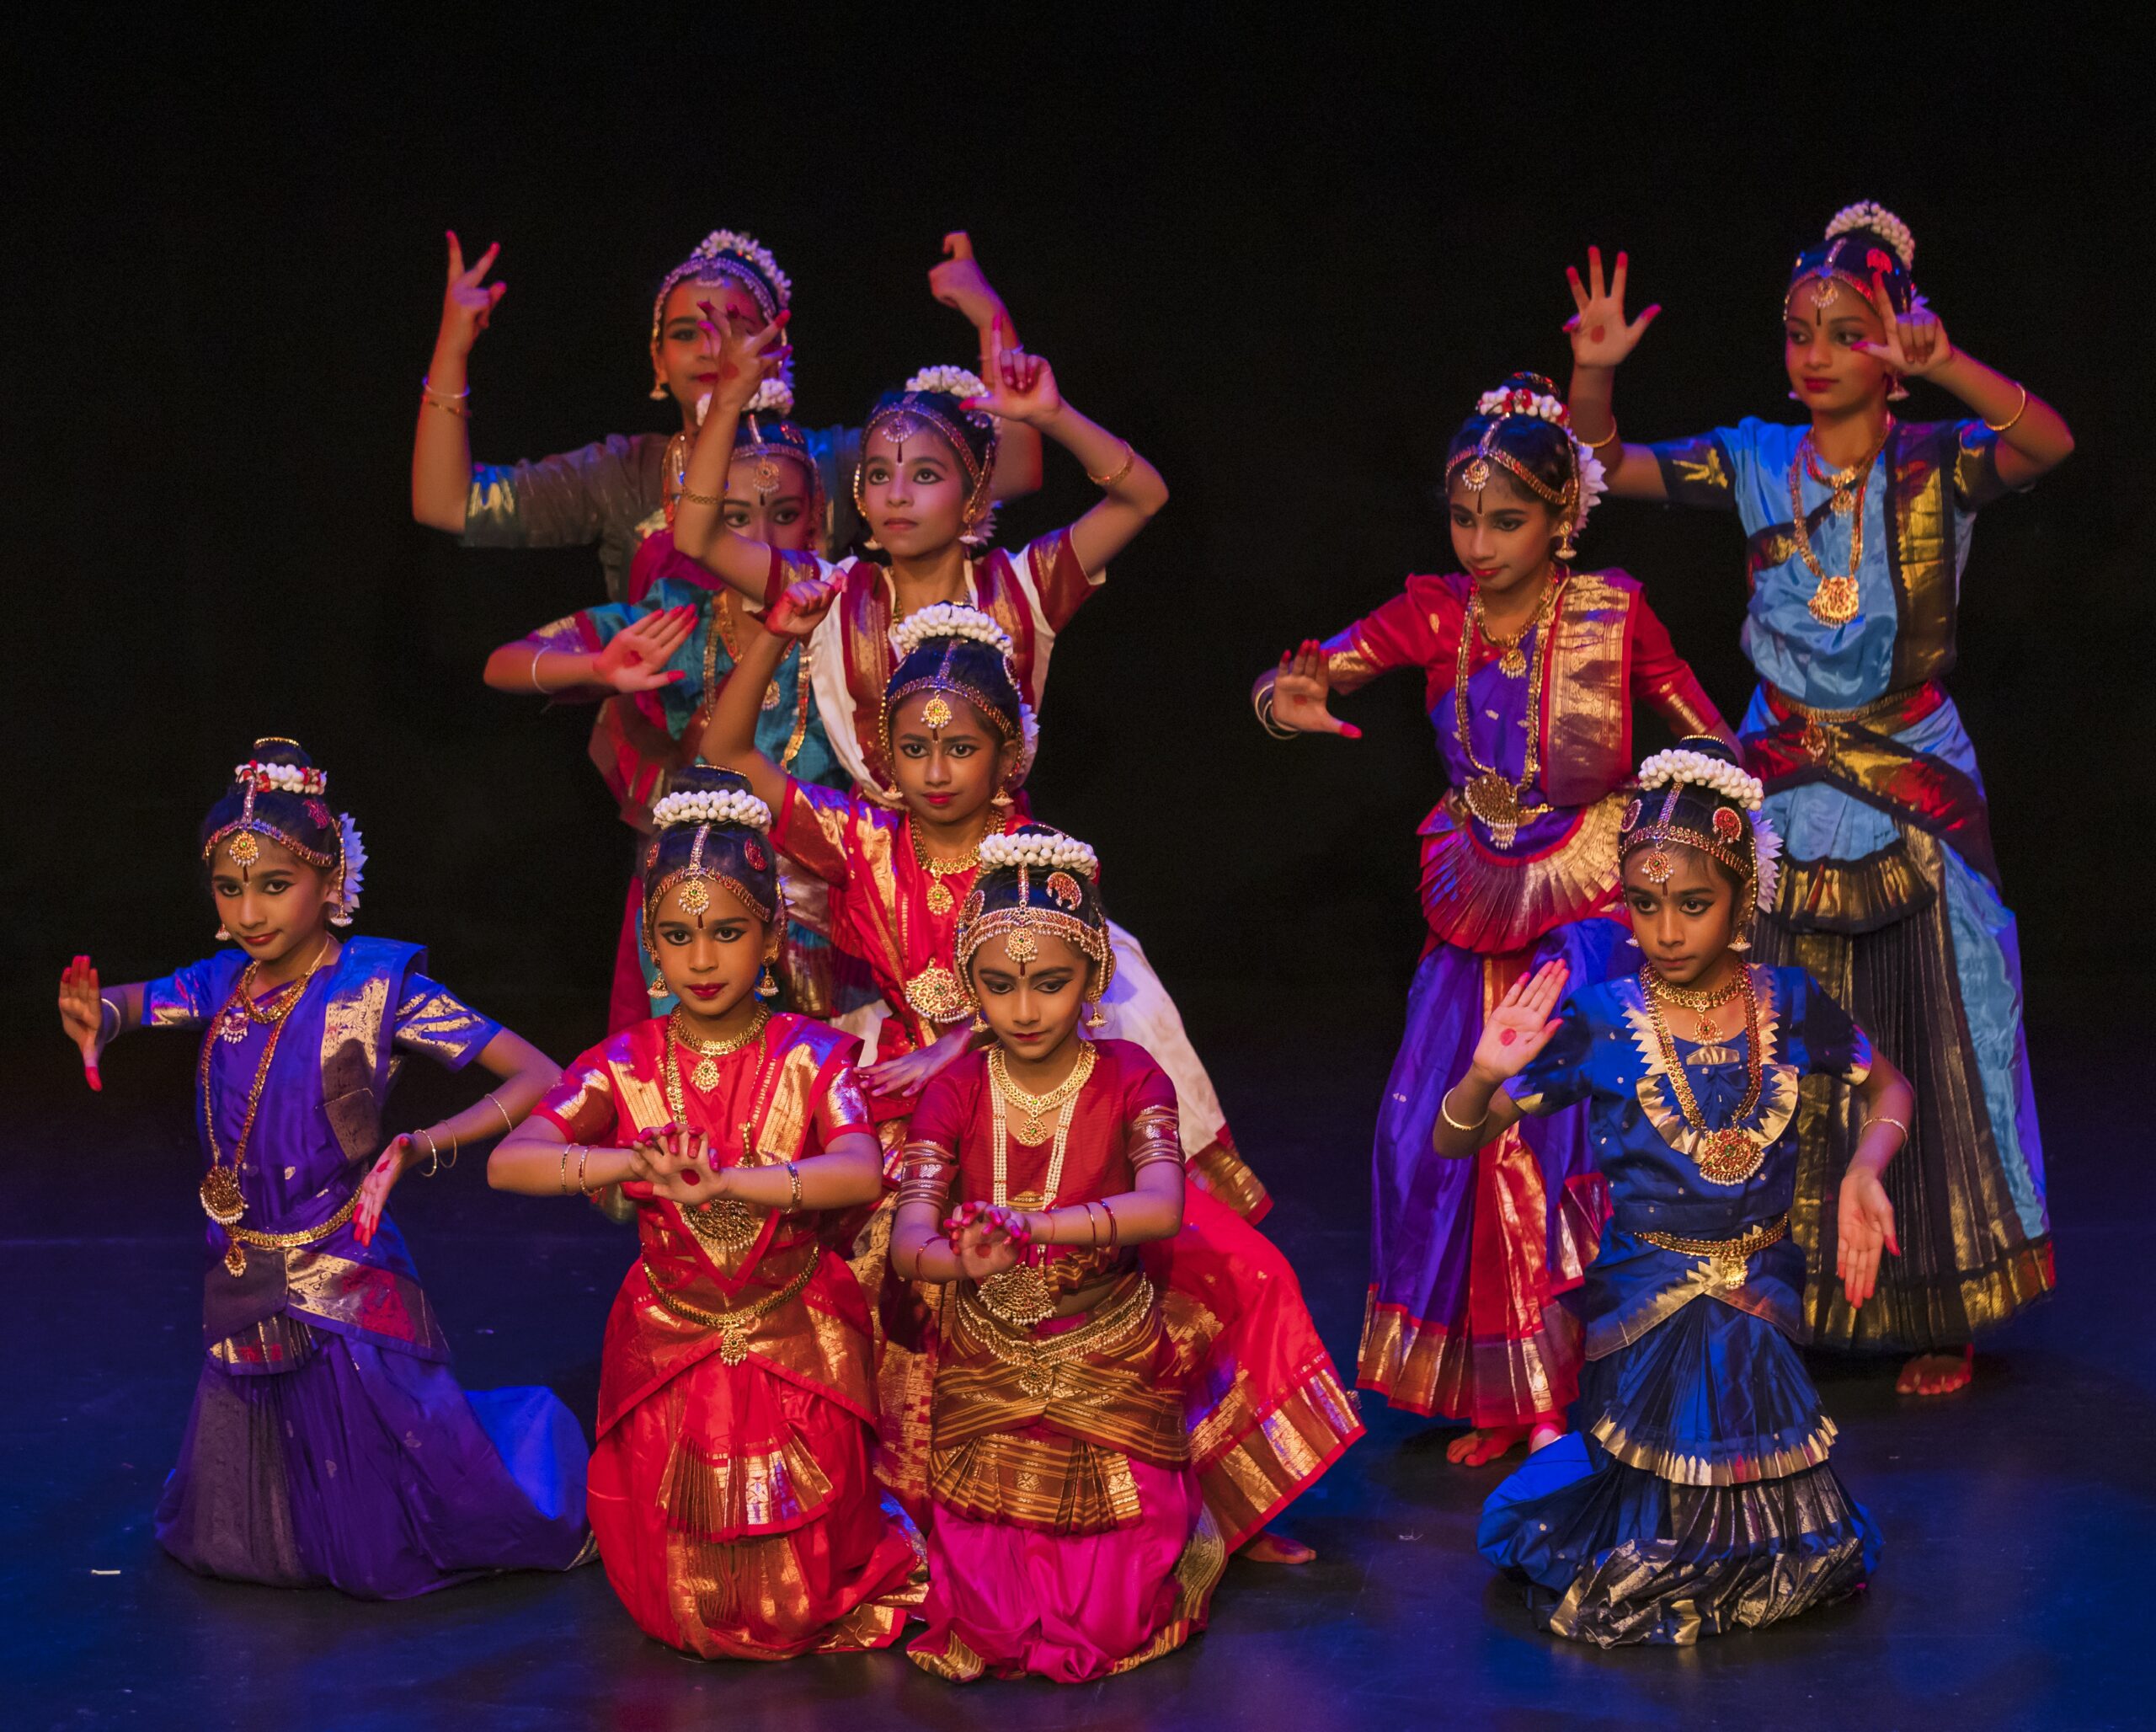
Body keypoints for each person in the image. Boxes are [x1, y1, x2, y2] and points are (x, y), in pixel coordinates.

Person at [702, 609, 1351, 1556]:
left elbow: (1060, 990)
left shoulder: (1036, 861)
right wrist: (772, 631)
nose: (935, 771)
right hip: (911, 1118)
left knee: (1219, 1265)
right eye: (914, 749)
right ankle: (930, 1519)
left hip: (1041, 1099)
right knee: (881, 1276)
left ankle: (1211, 1502)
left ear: (1007, 754)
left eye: (960, 748)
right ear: (884, 754)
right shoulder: (859, 839)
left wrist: (959, 1041)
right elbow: (725, 752)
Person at [1562, 205, 2072, 1393]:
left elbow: (2046, 443)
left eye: (1849, 332)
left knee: (1934, 1024)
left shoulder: (1936, 460)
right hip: (1784, 770)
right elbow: (1599, 472)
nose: (1818, 354)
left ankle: (1938, 1297)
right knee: (1773, 1025)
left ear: (1893, 348)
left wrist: (1948, 363)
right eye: (1801, 332)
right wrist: (1592, 375)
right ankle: (1782, 1286)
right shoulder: (1753, 460)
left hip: (1907, 770)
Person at [679, 318, 1261, 1211]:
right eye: (879, 475)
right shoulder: (833, 592)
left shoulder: (1024, 587)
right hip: (876, 873)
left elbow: (1142, 495)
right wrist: (726, 403)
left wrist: (1052, 415)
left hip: (1002, 872)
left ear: (973, 490)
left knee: (1118, 1023)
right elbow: (695, 538)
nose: (897, 495)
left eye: (925, 474)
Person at [1256, 374, 1731, 1464]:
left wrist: (1705, 845)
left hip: (1591, 903)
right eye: (1465, 518)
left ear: (1562, 518)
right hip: (1474, 896)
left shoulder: (1613, 613)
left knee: (1560, 1140)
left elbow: (1707, 739)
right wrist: (1286, 703)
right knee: (1441, 1142)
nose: (1478, 543)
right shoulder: (1434, 611)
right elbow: (1294, 678)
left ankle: (1584, 1386)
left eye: (1505, 520)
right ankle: (1509, 1390)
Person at [56, 740, 590, 1597]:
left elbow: (539, 1076)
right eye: (229, 888)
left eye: (275, 885)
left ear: (330, 874)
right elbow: (133, 1003)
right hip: (246, 1259)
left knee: (397, 1497)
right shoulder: (224, 983)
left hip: (345, 1258)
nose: (249, 911)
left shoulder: (377, 987)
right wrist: (97, 1020)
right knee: (247, 1529)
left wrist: (424, 1144)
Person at [1454, 740, 1912, 1645]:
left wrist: (1866, 1168)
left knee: (1793, 1541)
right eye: (1644, 903)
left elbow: (1889, 1087)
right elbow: (1454, 1137)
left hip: (1760, 1295)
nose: (1666, 931)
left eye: (1693, 905)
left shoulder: (1790, 1003)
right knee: (1651, 1543)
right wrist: (1479, 1075)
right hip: (1648, 1303)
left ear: (1743, 899)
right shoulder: (1601, 1021)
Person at [891, 829, 1356, 1681]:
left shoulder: (1131, 1074)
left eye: (1050, 983)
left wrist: (1036, 1229)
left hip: (1107, 1354)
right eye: (998, 985)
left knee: (1110, 1620)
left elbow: (1161, 1206)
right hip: (987, 1361)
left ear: (1094, 974)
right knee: (992, 1625)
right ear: (967, 986)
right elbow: (909, 1240)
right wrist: (963, 1265)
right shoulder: (954, 1089)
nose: (1024, 1009)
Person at [488, 764, 922, 1658]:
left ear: (772, 937)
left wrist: (727, 1183)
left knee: (802, 1584)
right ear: (651, 943)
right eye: (677, 936)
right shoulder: (624, 1062)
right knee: (682, 1595)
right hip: (671, 1342)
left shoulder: (815, 1055)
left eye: (727, 933)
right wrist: (630, 1162)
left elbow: (858, 1171)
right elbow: (510, 1162)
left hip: (796, 1334)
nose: (701, 959)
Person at [481, 409, 875, 1031]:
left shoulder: (855, 619)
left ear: (816, 518)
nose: (763, 537)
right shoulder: (678, 619)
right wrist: (597, 668)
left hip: (830, 908)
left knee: (823, 1077)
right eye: (737, 518)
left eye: (784, 514)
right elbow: (503, 664)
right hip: (702, 910)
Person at [413, 227, 1038, 595]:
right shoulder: (621, 475)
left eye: (733, 328)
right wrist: (450, 349)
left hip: (806, 770)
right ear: (658, 361)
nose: (714, 349)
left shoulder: (830, 463)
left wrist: (991, 318)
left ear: (777, 347)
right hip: (669, 773)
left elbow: (1011, 474)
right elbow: (446, 504)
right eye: (687, 334)